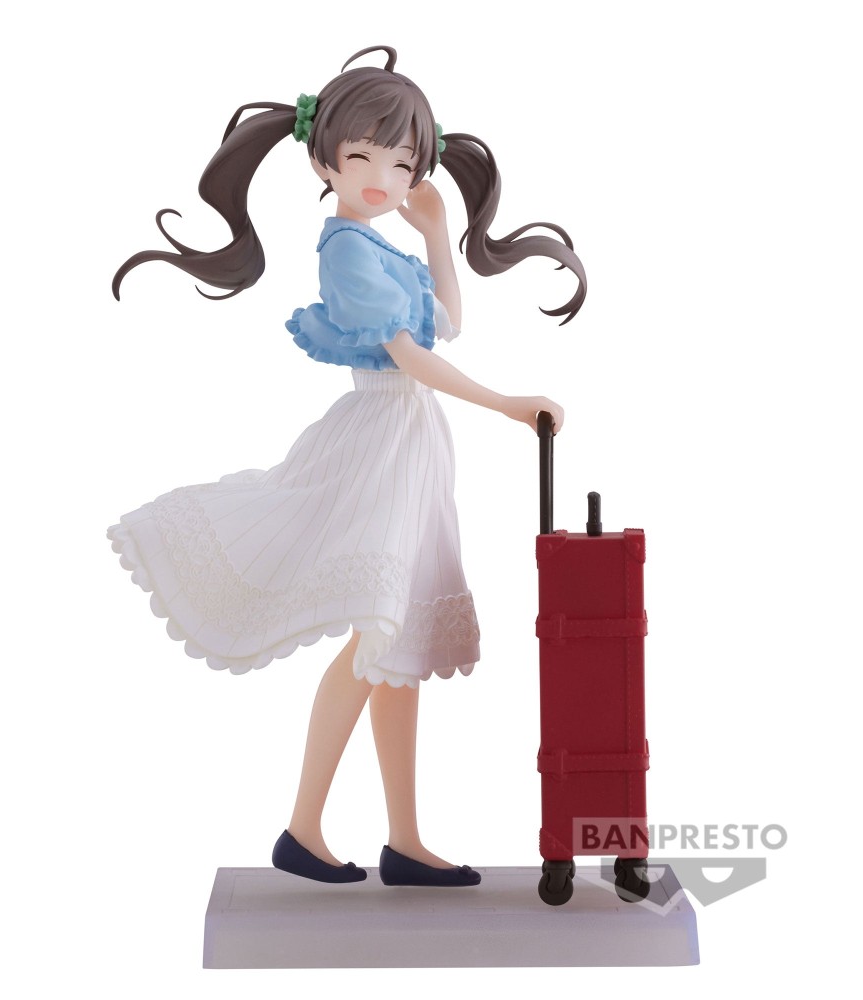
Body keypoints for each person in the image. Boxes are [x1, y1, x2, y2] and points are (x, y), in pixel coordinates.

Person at [109, 46, 586, 887]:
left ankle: (404, 839)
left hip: (413, 445)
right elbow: (410, 355)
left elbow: (447, 323)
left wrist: (436, 233)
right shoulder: (345, 252)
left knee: (399, 648)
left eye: (400, 163)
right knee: (378, 638)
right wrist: (510, 404)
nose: (380, 178)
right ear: (324, 160)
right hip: (378, 443)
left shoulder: (385, 245)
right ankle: (303, 828)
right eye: (361, 156)